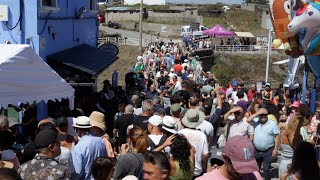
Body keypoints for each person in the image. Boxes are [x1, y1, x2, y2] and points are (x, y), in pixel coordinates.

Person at [196, 135, 262, 180]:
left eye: (247, 166)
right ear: (225, 158)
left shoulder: (255, 176)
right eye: (238, 167)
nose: (242, 172)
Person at [249, 108, 279, 180]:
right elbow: (247, 120)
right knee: (255, 169)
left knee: (266, 169)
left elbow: (276, 136)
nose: (263, 116)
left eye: (265, 115)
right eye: (261, 115)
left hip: (268, 151)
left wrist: (275, 150)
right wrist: (257, 113)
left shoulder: (272, 123)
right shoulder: (255, 121)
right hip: (256, 150)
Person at [179, 109, 209, 178]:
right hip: (197, 170)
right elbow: (206, 155)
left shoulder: (180, 133)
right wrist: (203, 166)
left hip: (182, 170)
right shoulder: (202, 135)